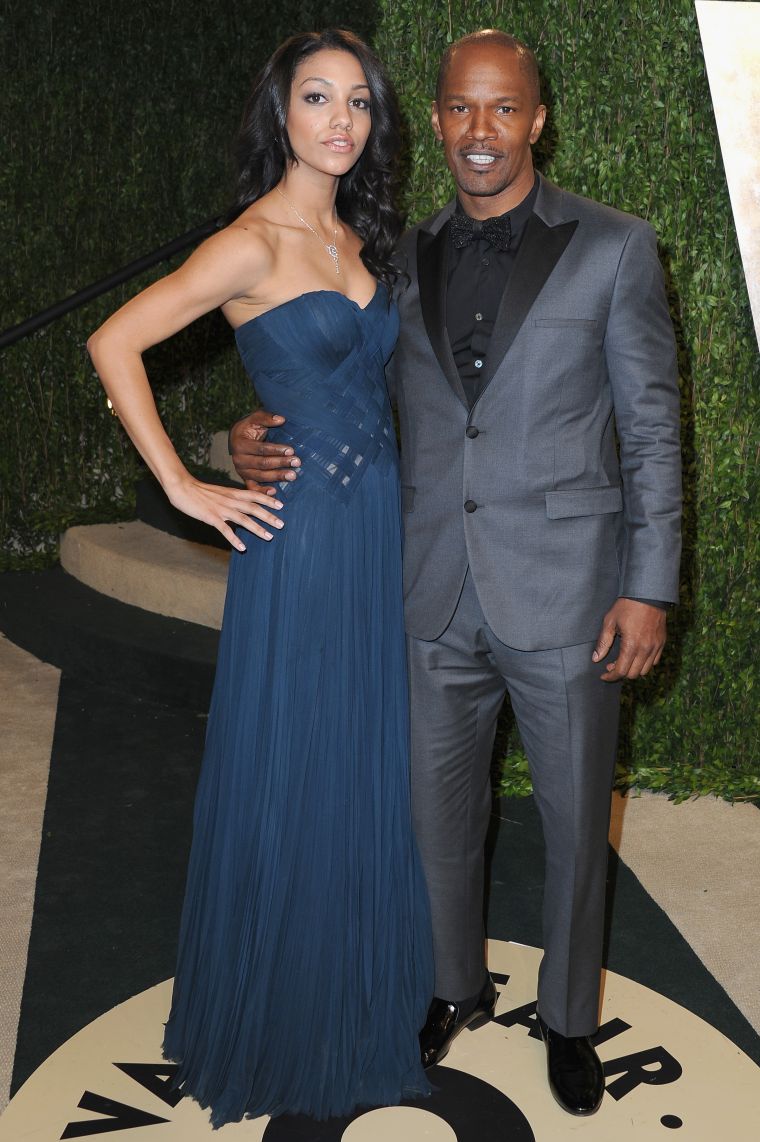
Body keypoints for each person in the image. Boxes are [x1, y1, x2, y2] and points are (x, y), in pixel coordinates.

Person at [230, 29, 682, 1118]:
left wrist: (650, 585)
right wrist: (236, 439)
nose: (481, 131)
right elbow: (335, 392)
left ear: (536, 120)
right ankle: (451, 983)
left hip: (570, 594)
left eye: (503, 108)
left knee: (574, 826)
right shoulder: (393, 256)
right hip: (428, 589)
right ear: (434, 119)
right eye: (460, 109)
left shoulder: (615, 247)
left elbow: (652, 431)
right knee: (435, 817)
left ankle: (567, 1020)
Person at [87, 29, 433, 1128]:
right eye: (317, 98)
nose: (341, 120)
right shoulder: (248, 243)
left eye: (358, 102)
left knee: (361, 758)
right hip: (302, 538)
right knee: (296, 755)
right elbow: (113, 342)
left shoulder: (360, 235)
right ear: (280, 113)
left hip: (375, 528)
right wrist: (185, 487)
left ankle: (356, 992)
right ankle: (279, 1019)